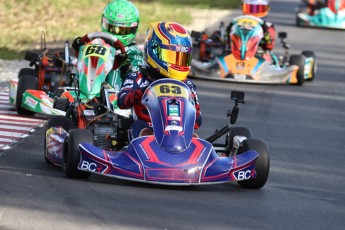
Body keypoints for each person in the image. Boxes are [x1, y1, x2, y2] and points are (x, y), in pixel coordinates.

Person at [117, 21, 202, 140]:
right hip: (146, 128)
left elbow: (197, 120)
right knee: (141, 129)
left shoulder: (187, 85)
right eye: (171, 56)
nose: (177, 63)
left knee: (194, 137)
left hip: (178, 132)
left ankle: (190, 153)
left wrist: (192, 114)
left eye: (182, 58)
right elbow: (122, 101)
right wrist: (141, 94)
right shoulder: (139, 78)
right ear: (154, 50)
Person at [72, 0, 145, 90]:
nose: (116, 34)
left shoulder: (134, 53)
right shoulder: (96, 43)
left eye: (122, 30)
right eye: (112, 28)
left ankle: (107, 91)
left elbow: (138, 82)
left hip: (116, 97)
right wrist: (79, 47)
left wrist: (125, 66)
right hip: (86, 90)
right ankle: (77, 89)